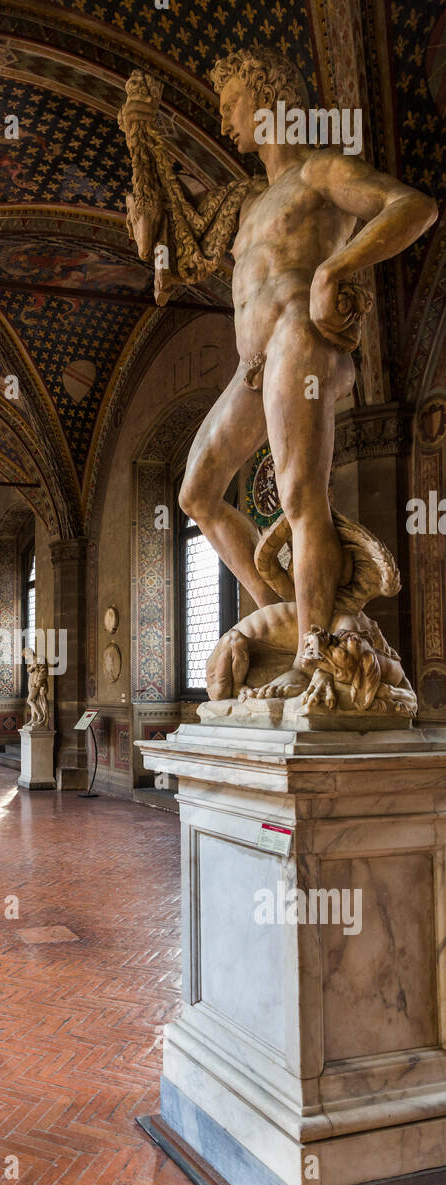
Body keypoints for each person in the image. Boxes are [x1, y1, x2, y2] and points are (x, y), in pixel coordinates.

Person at [121, 47, 437, 698]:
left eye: (232, 103)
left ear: (266, 99)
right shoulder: (245, 203)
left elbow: (412, 207)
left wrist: (333, 270)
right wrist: (148, 233)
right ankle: (291, 620)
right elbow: (175, 268)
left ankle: (315, 651)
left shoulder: (320, 171)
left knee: (300, 498)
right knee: (196, 494)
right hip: (255, 362)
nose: (226, 120)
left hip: (304, 336)